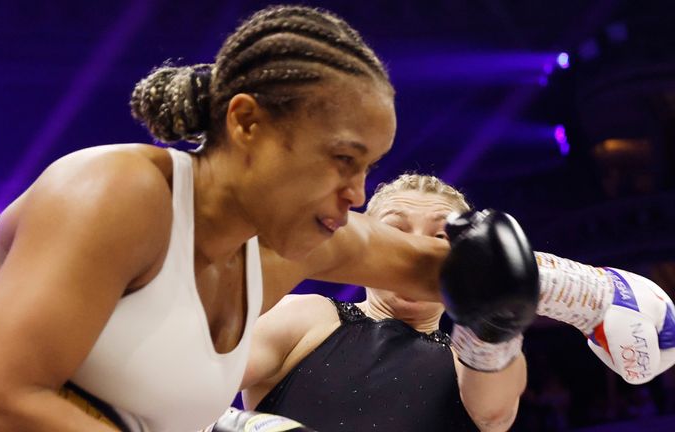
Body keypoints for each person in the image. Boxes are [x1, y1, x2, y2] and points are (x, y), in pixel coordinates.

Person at [0, 6, 533, 432]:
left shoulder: (293, 244)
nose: (355, 193)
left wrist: (595, 296)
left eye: (367, 167)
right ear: (247, 124)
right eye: (343, 160)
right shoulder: (117, 191)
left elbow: (466, 272)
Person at [232, 173, 675, 432]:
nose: (417, 248)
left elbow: (495, 411)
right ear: (365, 240)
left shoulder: (473, 356)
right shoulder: (310, 316)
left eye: (441, 236)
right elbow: (188, 371)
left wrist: (504, 297)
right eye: (397, 229)